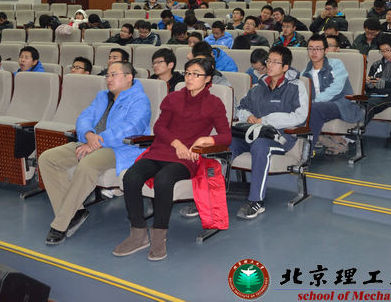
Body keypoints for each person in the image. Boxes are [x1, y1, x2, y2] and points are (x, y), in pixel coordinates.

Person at [114, 57, 230, 260]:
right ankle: (138, 234)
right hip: (162, 150)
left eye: (196, 74)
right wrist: (176, 143)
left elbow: (226, 136)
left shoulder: (214, 104)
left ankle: (159, 236)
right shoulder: (173, 98)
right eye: (188, 73)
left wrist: (206, 139)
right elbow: (160, 127)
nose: (190, 78)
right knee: (131, 177)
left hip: (186, 158)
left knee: (164, 179)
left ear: (208, 79)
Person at [40, 61, 152, 246]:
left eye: (114, 75)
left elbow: (131, 128)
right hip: (90, 142)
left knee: (88, 163)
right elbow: (84, 117)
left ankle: (61, 223)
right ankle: (76, 212)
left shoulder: (139, 100)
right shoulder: (102, 96)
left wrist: (97, 141)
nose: (109, 79)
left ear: (128, 77)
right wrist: (88, 134)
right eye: (107, 75)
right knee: (48, 159)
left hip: (121, 149)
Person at [231, 46, 308, 219]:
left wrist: (265, 120)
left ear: (285, 67)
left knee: (260, 147)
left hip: (280, 138)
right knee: (227, 142)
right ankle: (211, 194)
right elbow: (240, 107)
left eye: (275, 62)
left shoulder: (296, 86)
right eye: (268, 61)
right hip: (253, 133)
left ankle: (256, 200)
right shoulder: (259, 85)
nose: (270, 65)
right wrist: (247, 116)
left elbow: (300, 116)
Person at [302, 34, 363, 153]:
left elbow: (336, 88)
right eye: (310, 48)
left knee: (314, 109)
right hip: (319, 106)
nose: (314, 52)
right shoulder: (306, 70)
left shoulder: (336, 64)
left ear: (326, 50)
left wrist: (312, 102)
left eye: (318, 48)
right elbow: (301, 88)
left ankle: (305, 153)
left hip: (340, 105)